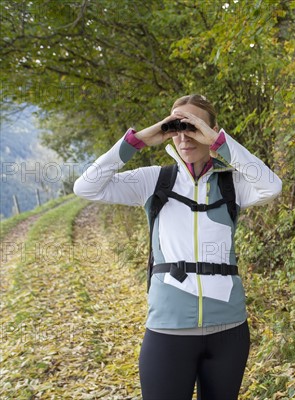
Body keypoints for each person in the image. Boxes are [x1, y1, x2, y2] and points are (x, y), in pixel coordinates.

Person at [74, 94, 282, 399]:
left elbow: (273, 185)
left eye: (193, 127)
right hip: (167, 331)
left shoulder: (231, 184)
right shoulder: (154, 181)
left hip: (229, 330)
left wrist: (218, 142)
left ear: (211, 131)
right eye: (177, 126)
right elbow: (86, 186)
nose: (184, 136)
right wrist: (142, 138)